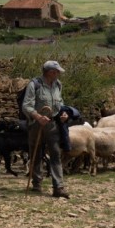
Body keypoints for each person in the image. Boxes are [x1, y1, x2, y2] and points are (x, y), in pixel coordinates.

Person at [22, 60, 70, 198]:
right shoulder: (34, 84)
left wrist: (63, 113)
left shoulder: (58, 85)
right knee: (36, 153)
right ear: (50, 72)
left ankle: (58, 187)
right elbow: (26, 105)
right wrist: (37, 116)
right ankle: (36, 183)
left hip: (52, 124)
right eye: (57, 72)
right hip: (37, 124)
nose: (59, 74)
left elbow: (60, 102)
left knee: (55, 153)